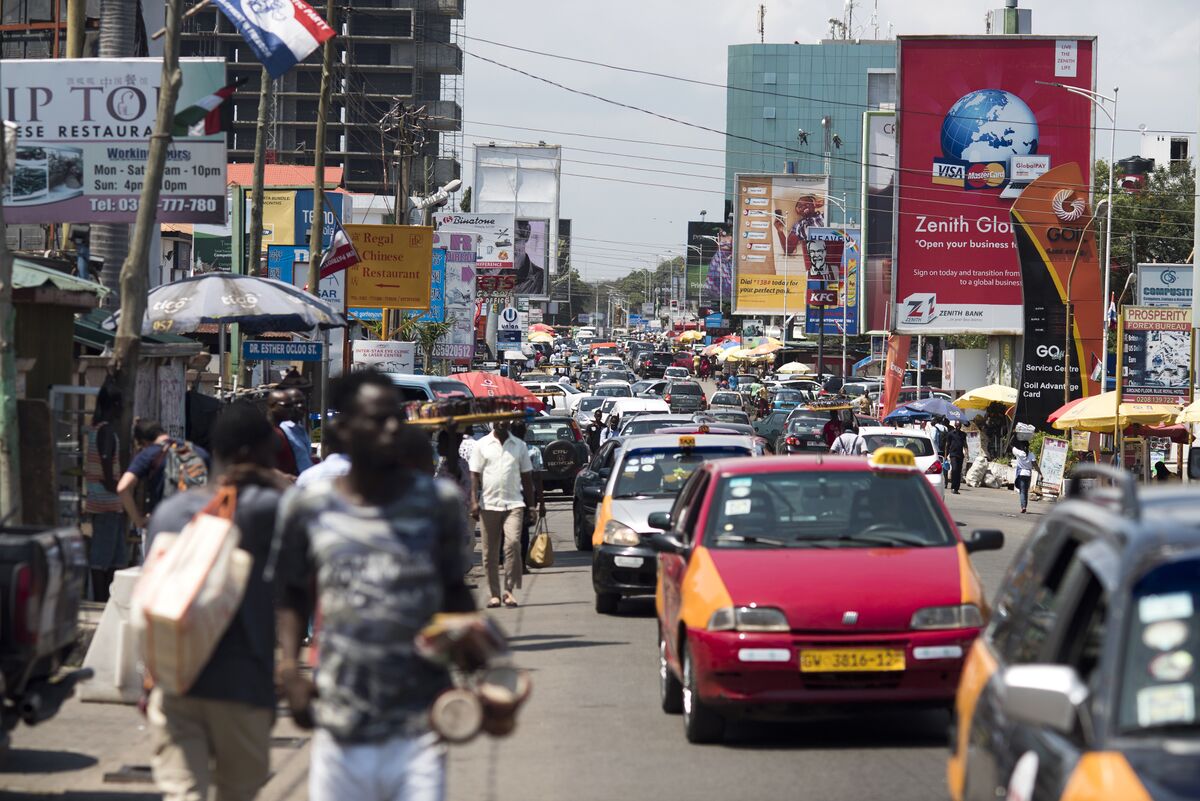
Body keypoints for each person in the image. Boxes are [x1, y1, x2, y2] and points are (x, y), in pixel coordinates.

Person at [274, 371, 474, 801]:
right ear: (343, 427)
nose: (389, 429)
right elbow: (291, 590)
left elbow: (455, 591)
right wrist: (289, 667)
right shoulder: (309, 506)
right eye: (375, 418)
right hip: (340, 725)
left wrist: (483, 667)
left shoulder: (435, 503)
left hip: (419, 724)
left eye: (394, 419)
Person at [146, 402, 290, 801]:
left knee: (184, 794)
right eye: (270, 453)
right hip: (241, 684)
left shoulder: (169, 513)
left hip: (173, 678)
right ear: (251, 456)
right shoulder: (268, 509)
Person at [468, 420, 537, 609]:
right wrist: (474, 501)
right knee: (489, 552)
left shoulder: (519, 446)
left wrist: (532, 507)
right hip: (488, 505)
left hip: (514, 504)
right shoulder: (481, 445)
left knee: (513, 544)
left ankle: (509, 591)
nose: (501, 422)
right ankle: (494, 595)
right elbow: (474, 475)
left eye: (504, 418)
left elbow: (527, 478)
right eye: (497, 419)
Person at [118, 420, 210, 541]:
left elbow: (123, 487)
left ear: (144, 442)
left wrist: (138, 520)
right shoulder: (198, 452)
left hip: (164, 527)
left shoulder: (149, 453)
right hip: (197, 527)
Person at [84, 380, 125, 602]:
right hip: (106, 503)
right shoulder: (106, 431)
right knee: (101, 558)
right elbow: (108, 473)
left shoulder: (97, 429)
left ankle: (109, 601)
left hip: (111, 504)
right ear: (114, 405)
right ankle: (100, 601)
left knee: (118, 557)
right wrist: (121, 491)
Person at [509, 420, 546, 562]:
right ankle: (520, 561)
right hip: (525, 495)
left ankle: (513, 560)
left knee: (514, 529)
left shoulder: (505, 450)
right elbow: (537, 478)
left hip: (515, 494)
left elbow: (537, 478)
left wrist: (541, 502)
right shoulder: (533, 450)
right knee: (522, 529)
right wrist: (541, 503)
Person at [279, 387, 314, 473]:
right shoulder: (282, 430)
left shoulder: (300, 429)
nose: (300, 406)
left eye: (302, 402)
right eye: (296, 402)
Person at [267, 389, 301, 477]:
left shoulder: (285, 430)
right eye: (286, 405)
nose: (291, 409)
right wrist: (283, 477)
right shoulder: (269, 433)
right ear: (272, 406)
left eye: (292, 405)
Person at [943, 421, 967, 494]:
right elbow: (947, 445)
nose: (958, 427)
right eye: (957, 426)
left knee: (959, 472)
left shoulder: (963, 434)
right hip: (953, 455)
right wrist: (945, 456)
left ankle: (956, 488)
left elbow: (965, 444)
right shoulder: (950, 434)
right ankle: (953, 487)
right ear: (955, 426)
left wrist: (967, 453)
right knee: (954, 469)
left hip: (960, 455)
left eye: (959, 426)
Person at [1012, 441, 1035, 514]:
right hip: (1028, 474)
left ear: (1021, 446)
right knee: (1025, 491)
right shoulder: (1031, 455)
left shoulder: (1019, 453)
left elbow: (1011, 446)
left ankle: (1023, 507)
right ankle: (1025, 506)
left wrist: (1015, 435)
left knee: (1022, 491)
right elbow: (1035, 465)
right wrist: (1040, 473)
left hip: (1021, 474)